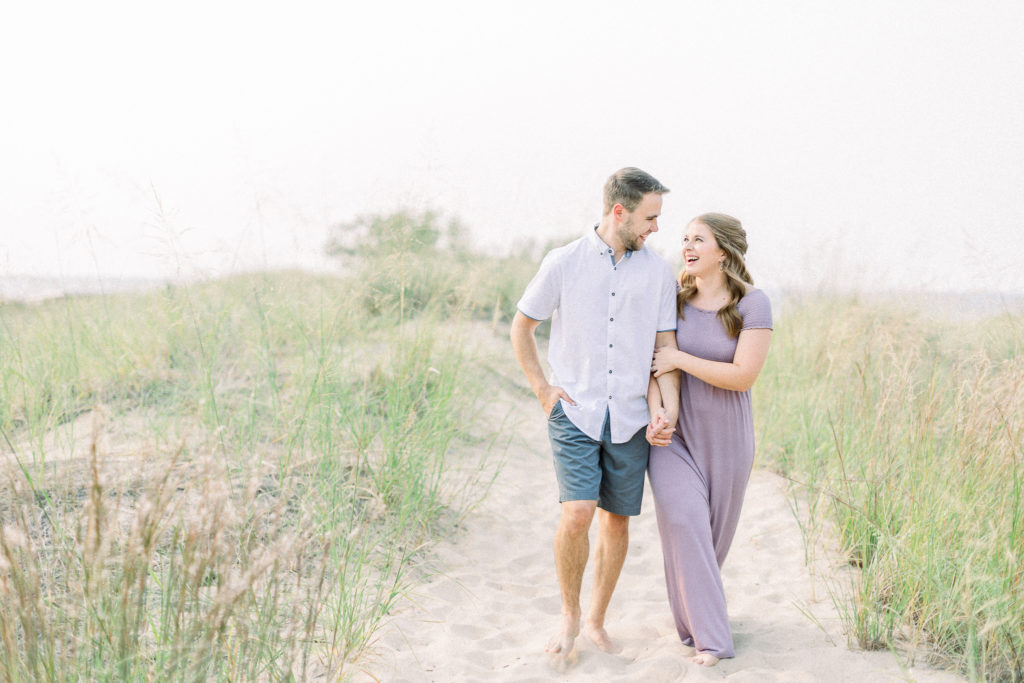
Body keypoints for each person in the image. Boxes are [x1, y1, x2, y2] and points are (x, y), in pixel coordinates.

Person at [510, 167, 681, 667]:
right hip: (576, 412)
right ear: (619, 211)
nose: (656, 228)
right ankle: (569, 615)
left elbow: (664, 348)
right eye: (650, 217)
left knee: (617, 523)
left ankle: (596, 620)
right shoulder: (563, 262)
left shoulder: (658, 273)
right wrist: (543, 389)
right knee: (577, 512)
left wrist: (665, 409)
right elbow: (522, 327)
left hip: (630, 416)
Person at [646, 212, 773, 667]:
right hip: (674, 438)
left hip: (728, 439)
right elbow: (652, 367)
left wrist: (680, 356)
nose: (687, 246)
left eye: (698, 239)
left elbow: (743, 376)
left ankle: (691, 624)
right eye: (684, 239)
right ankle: (713, 642)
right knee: (685, 524)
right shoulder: (671, 301)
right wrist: (657, 413)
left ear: (723, 250)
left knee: (709, 543)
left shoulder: (752, 305)